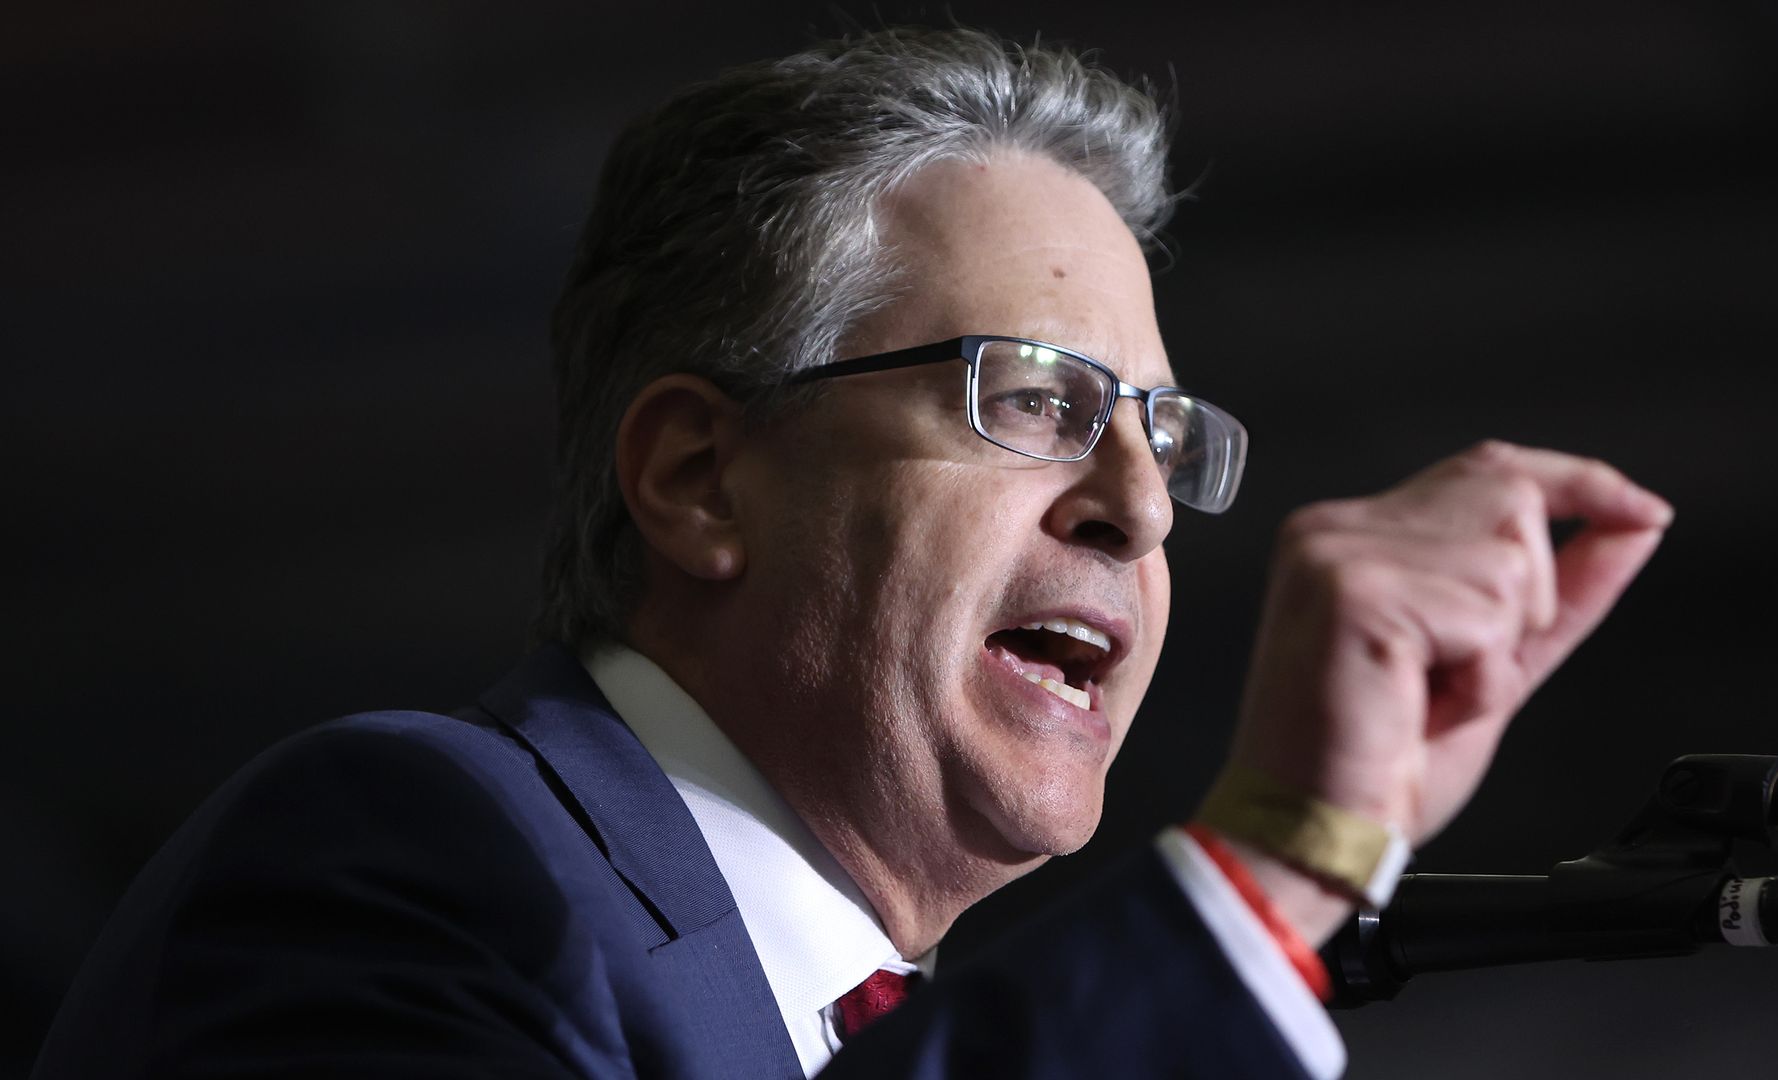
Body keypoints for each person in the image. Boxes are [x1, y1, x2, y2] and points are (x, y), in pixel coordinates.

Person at [33, 26, 1672, 1080]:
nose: (1140, 504)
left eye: (1163, 435)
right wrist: (1273, 872)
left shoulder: (904, 1031)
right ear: (698, 478)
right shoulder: (415, 864)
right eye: (1033, 399)